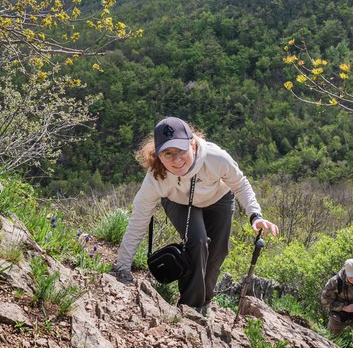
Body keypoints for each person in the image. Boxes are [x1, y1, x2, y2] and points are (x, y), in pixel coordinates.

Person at [109, 116, 279, 314]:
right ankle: (190, 307)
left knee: (218, 251)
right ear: (157, 156)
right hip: (178, 202)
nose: (176, 160)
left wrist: (255, 215)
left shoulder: (216, 158)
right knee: (197, 242)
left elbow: (240, 184)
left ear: (193, 145)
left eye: (181, 151)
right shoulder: (157, 177)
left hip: (219, 198)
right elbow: (139, 218)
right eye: (167, 153)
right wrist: (122, 267)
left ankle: (204, 302)